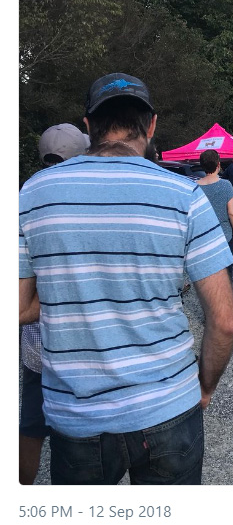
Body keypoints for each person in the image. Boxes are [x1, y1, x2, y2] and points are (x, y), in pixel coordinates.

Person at [19, 73, 233, 485]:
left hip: (77, 414)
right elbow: (224, 320)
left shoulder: (33, 194)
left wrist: (77, 294)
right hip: (169, 404)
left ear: (88, 127)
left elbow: (16, 306)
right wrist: (204, 387)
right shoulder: (184, 195)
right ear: (151, 124)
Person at [19, 123, 88, 485]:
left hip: (35, 350)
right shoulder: (85, 201)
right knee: (77, 433)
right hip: (78, 345)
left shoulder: (26, 196)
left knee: (31, 426)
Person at [196, 150, 233, 326]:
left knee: (207, 278)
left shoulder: (195, 187)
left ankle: (209, 315)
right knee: (226, 277)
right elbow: (232, 212)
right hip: (223, 236)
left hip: (202, 238)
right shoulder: (225, 185)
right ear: (218, 164)